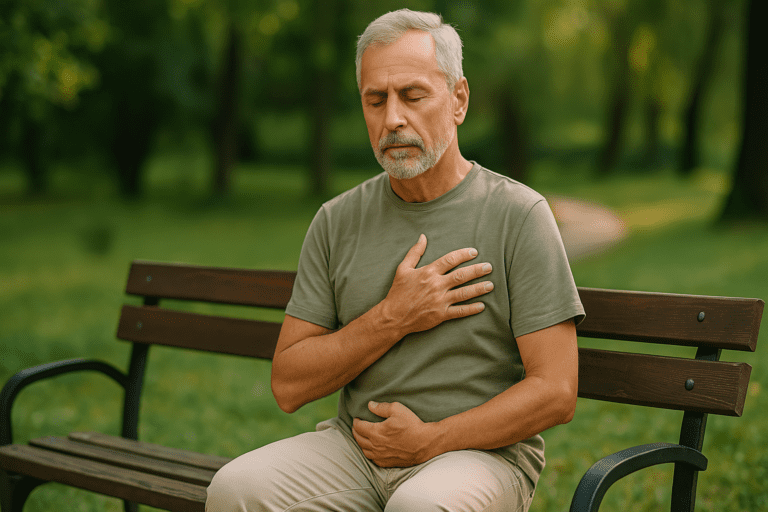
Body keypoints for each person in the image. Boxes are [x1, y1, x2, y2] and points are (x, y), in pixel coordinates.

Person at [206, 8, 584, 512]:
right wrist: (393, 317)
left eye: (413, 95)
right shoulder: (337, 220)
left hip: (480, 456)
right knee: (235, 490)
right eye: (375, 100)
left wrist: (432, 439)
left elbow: (556, 390)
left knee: (420, 506)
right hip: (355, 452)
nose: (393, 119)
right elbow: (289, 383)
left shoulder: (518, 215)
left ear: (458, 100)